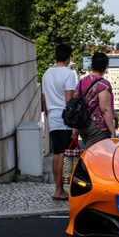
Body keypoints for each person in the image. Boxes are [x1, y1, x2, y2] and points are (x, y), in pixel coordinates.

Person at [42, 44, 77, 201]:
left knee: (57, 153)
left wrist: (49, 115)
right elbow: (69, 101)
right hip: (65, 119)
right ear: (69, 57)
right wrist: (74, 124)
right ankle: (59, 190)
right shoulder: (69, 74)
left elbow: (44, 99)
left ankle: (58, 188)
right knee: (63, 154)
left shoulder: (46, 74)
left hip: (53, 117)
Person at [74, 52, 117, 148]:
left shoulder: (81, 82)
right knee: (93, 156)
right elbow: (105, 109)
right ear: (106, 67)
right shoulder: (103, 84)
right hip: (98, 126)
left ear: (92, 65)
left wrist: (75, 129)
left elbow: (76, 105)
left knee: (93, 154)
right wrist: (112, 131)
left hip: (83, 124)